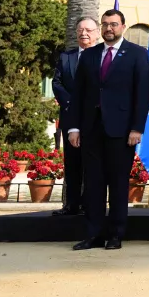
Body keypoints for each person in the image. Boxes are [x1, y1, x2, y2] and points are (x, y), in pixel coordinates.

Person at [67, 10, 149, 251]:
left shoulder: (137, 54)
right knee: (93, 185)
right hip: (91, 130)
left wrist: (137, 127)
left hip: (122, 131)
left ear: (123, 26)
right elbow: (79, 94)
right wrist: (74, 127)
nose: (108, 29)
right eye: (104, 24)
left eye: (113, 24)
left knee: (117, 184)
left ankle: (115, 234)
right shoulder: (90, 55)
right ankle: (93, 235)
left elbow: (143, 94)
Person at [51, 16, 100, 217]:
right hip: (71, 117)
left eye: (88, 30)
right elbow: (57, 83)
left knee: (93, 165)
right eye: (80, 30)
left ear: (97, 33)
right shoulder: (66, 57)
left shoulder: (103, 57)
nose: (84, 33)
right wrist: (72, 103)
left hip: (96, 119)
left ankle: (91, 206)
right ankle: (71, 205)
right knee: (72, 164)